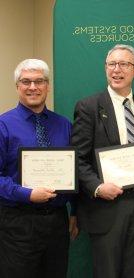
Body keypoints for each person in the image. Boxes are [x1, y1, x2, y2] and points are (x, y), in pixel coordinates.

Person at [71, 44, 134, 278]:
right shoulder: (88, 107)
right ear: (105, 68)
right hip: (105, 209)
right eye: (111, 64)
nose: (116, 70)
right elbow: (77, 159)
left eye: (124, 64)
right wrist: (98, 187)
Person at [0, 59, 78, 278]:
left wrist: (76, 211)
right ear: (17, 86)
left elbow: (75, 170)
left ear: (47, 86)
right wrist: (28, 194)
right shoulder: (3, 125)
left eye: (39, 81)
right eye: (26, 81)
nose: (33, 87)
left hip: (57, 221)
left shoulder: (64, 125)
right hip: (18, 222)